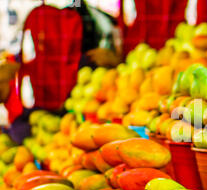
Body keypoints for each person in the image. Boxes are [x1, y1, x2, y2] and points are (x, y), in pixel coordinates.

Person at [0, 0, 122, 144]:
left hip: (85, 112)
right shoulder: (17, 114)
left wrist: (116, 62)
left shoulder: (24, 58)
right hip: (61, 125)